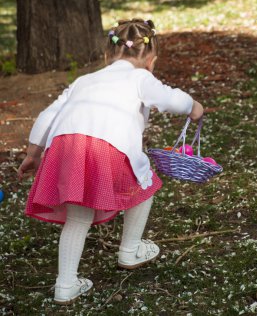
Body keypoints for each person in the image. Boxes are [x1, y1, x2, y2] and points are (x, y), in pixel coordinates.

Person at [18, 19, 203, 305]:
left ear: (107, 55)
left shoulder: (84, 80)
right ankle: (130, 249)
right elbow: (170, 100)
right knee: (145, 185)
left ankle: (65, 285)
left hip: (67, 145)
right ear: (150, 60)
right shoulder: (141, 78)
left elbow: (48, 114)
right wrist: (193, 106)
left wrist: (33, 153)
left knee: (78, 216)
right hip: (109, 146)